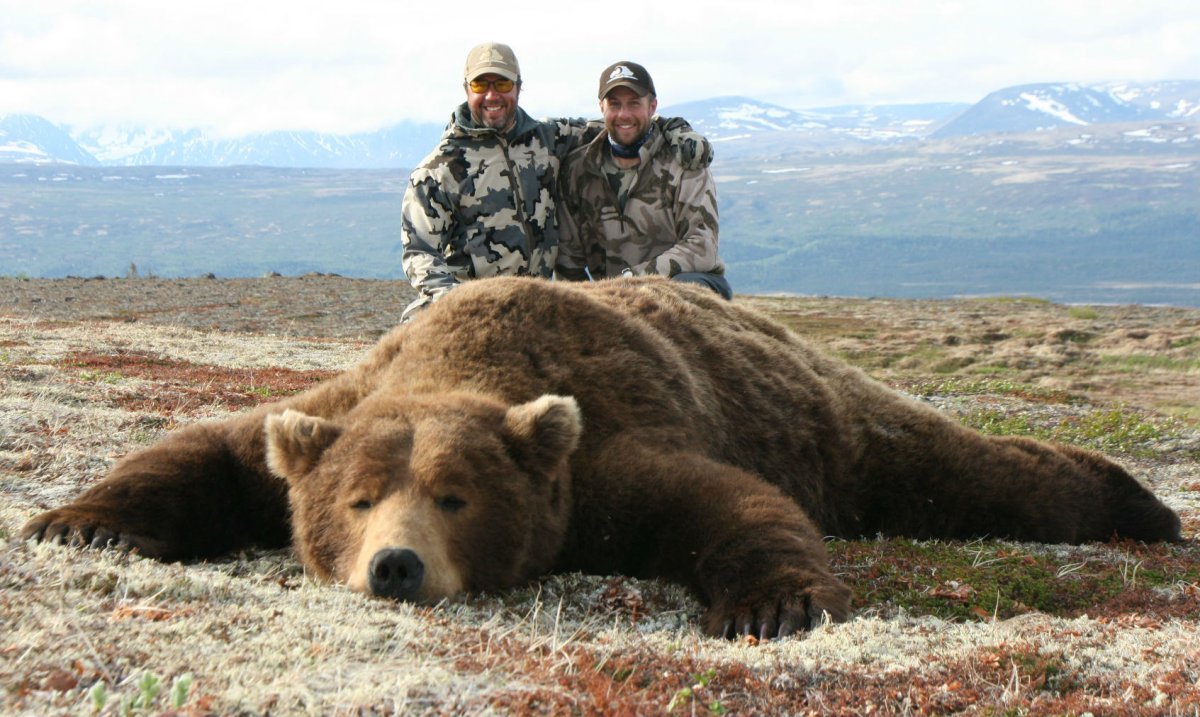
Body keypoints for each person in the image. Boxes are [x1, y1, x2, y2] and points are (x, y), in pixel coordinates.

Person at [400, 43, 713, 321]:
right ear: (467, 88)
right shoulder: (438, 170)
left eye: (503, 83)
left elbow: (622, 123)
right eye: (481, 84)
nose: (492, 95)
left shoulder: (548, 138)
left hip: (537, 303)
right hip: (472, 303)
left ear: (518, 87)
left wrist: (677, 129)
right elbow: (419, 253)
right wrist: (457, 302)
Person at [556, 61, 730, 300]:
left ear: (652, 106)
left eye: (634, 104)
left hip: (682, 286)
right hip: (613, 299)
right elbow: (569, 261)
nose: (624, 114)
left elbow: (702, 246)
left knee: (682, 291)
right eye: (614, 104)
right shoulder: (578, 169)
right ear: (601, 107)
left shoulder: (684, 162)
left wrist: (631, 280)